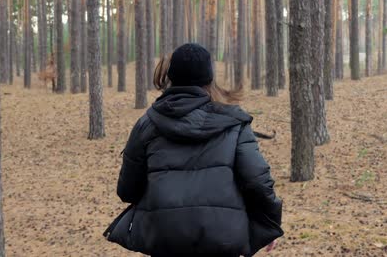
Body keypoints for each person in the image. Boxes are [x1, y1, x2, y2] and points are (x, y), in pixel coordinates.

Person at [104, 44, 283, 256]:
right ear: (209, 79)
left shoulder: (146, 125)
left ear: (171, 77)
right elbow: (258, 182)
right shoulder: (234, 123)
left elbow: (127, 191)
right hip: (222, 239)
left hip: (165, 240)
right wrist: (268, 226)